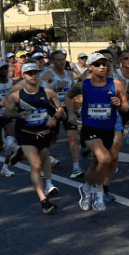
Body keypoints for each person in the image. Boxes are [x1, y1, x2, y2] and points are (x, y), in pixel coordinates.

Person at [66, 53, 129, 212]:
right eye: (98, 64)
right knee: (105, 159)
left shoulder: (116, 84)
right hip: (90, 129)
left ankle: (86, 188)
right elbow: (68, 97)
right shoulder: (83, 85)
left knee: (96, 163)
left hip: (108, 129)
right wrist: (71, 114)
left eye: (105, 64)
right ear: (90, 67)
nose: (102, 67)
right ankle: (98, 192)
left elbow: (125, 108)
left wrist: (119, 104)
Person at [0, 62, 63, 214]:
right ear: (23, 75)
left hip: (44, 133)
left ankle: (48, 184)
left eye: (35, 72)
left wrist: (54, 117)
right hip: (26, 134)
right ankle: (44, 200)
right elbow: (5, 112)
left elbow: (60, 108)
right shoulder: (16, 95)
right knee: (36, 165)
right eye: (30, 73)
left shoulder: (48, 92)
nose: (33, 75)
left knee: (44, 158)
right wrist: (17, 114)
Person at [42, 49, 85, 178]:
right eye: (58, 60)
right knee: (50, 137)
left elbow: (72, 93)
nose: (61, 62)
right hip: (52, 108)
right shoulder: (48, 74)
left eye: (63, 60)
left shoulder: (69, 74)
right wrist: (55, 87)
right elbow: (41, 92)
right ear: (52, 61)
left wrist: (73, 109)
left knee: (73, 137)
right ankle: (44, 161)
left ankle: (76, 167)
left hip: (67, 107)